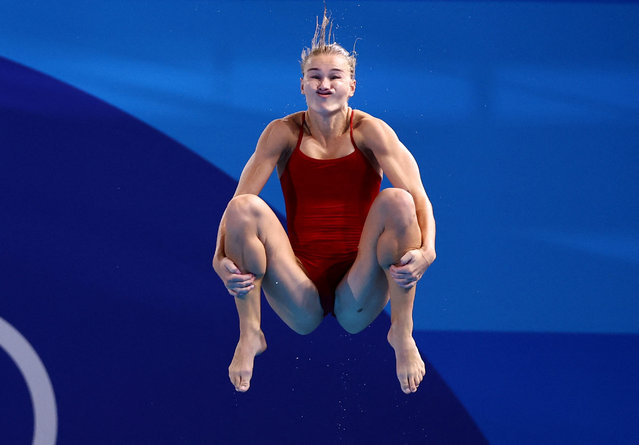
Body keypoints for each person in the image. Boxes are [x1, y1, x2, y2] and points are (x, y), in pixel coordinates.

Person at [212, 11, 436, 395]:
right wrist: (219, 260)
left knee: (398, 201)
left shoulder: (371, 132)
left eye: (334, 76)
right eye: (315, 76)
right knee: (244, 207)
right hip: (299, 285)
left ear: (352, 84)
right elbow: (235, 207)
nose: (324, 84)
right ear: (302, 85)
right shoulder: (282, 133)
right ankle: (250, 333)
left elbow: (420, 199)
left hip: (360, 284)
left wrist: (428, 252)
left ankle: (401, 331)